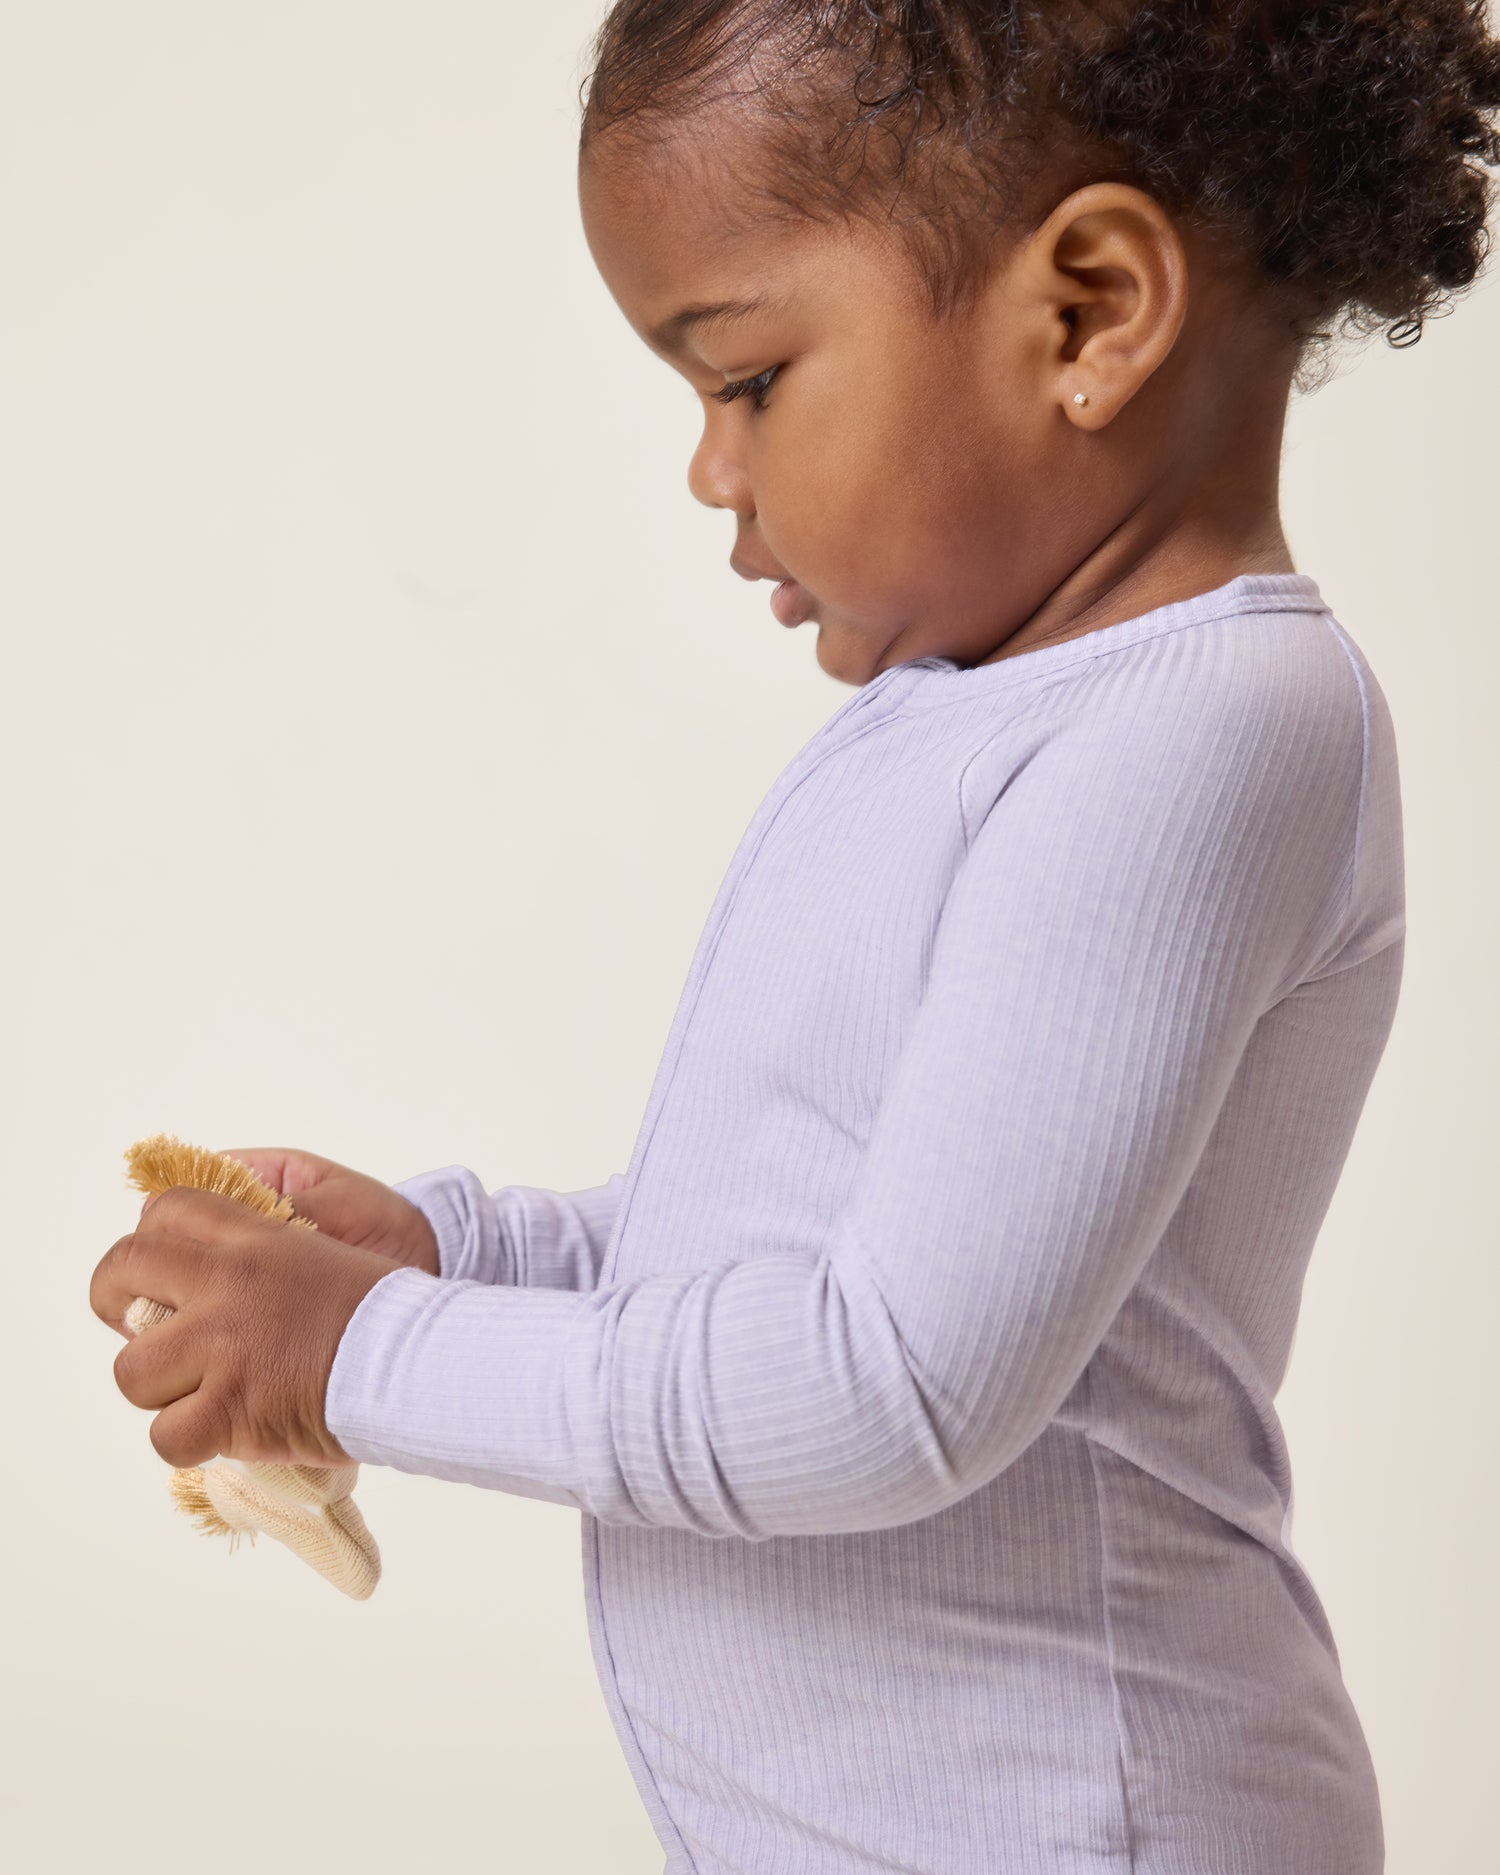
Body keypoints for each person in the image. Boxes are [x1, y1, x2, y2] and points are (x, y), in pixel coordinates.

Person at [92, 3, 1500, 1870]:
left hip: (1083, 1828)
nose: (709, 470)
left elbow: (885, 1387)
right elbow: (797, 1236)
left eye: (745, 378)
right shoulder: (977, 713)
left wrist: (368, 1354)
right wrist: (470, 1250)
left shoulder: (1204, 733)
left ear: (1085, 312)